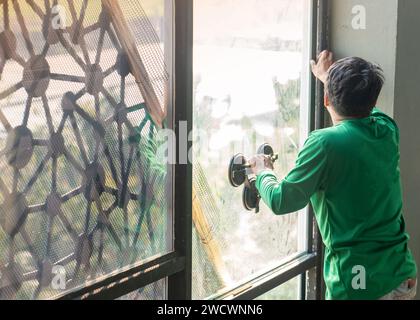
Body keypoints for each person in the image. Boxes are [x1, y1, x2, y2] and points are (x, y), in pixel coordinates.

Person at [250, 51, 417, 300]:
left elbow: (282, 200)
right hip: (401, 274)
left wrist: (262, 172)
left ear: (326, 99)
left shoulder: (324, 143)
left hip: (358, 286)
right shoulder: (386, 128)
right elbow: (364, 109)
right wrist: (329, 78)